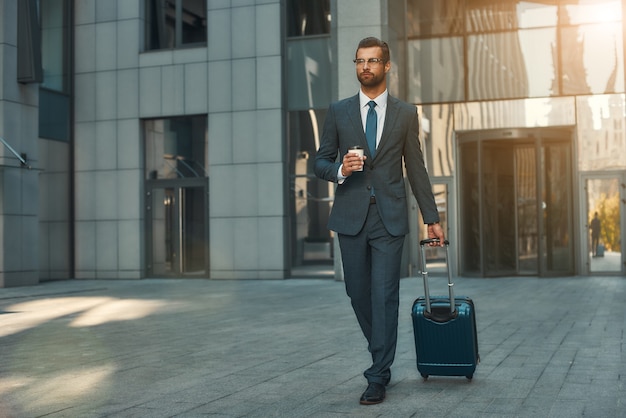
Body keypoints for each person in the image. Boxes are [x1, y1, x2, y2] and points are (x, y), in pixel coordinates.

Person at [314, 37, 445, 405]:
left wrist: (431, 218)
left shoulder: (405, 113)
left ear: (387, 66)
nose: (365, 67)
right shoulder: (339, 111)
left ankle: (378, 374)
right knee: (358, 293)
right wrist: (340, 169)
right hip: (351, 216)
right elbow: (320, 161)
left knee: (385, 296)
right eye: (360, 61)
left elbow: (415, 168)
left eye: (372, 61)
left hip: (389, 218)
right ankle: (381, 348)